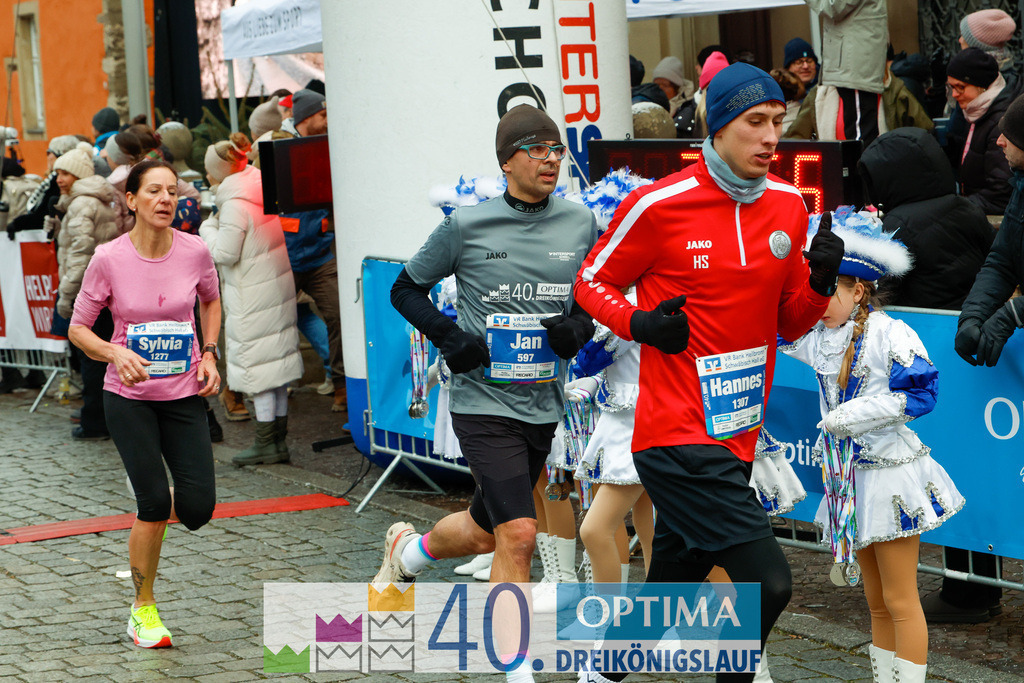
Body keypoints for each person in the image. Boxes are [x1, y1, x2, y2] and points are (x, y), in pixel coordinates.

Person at [571, 63, 844, 683]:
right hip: (676, 435)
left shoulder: (788, 206)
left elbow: (793, 323)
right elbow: (591, 280)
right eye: (755, 123)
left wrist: (822, 280)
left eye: (778, 122)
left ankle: (602, 669)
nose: (772, 137)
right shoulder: (658, 204)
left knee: (673, 579)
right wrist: (640, 325)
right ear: (718, 128)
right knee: (768, 584)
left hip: (737, 434)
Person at [378, 103, 597, 683]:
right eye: (537, 150)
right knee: (521, 534)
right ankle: (515, 665)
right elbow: (405, 288)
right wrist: (451, 337)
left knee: (486, 526)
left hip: (542, 401)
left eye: (557, 150)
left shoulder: (579, 222)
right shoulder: (467, 225)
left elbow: (590, 298)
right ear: (507, 161)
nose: (552, 160)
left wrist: (578, 326)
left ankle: (406, 555)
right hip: (481, 402)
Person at [779, 211, 964, 683]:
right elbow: (773, 330)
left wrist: (853, 415)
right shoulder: (818, 335)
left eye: (829, 290)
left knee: (901, 600)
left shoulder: (890, 333)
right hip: (849, 482)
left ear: (858, 289)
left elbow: (922, 394)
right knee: (876, 601)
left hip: (889, 476)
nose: (817, 300)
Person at [68, 158, 221, 648]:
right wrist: (114, 350)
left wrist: (211, 355)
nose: (165, 200)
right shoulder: (108, 258)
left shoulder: (195, 250)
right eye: (153, 191)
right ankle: (143, 608)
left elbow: (211, 301)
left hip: (182, 395)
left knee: (197, 508)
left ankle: (149, 523)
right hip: (128, 398)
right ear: (131, 200)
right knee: (154, 501)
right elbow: (78, 328)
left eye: (172, 192)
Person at [946, 93, 1024, 624]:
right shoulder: (1021, 185)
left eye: (1009, 132)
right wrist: (974, 313)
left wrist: (1015, 313)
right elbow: (1002, 257)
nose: (998, 138)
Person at [199, 133, 302, 465]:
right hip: (273, 289)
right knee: (278, 368)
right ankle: (278, 442)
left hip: (251, 296)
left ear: (220, 173)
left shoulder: (234, 204)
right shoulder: (259, 191)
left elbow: (225, 253)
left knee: (259, 372)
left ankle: (264, 443)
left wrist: (206, 228)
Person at [858, 127, 994, 309]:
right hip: (972, 314)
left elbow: (882, 292)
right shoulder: (967, 207)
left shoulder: (898, 224)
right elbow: (995, 260)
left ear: (889, 176)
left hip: (922, 322)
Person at [275, 89, 345, 412]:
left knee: (339, 316)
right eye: (323, 115)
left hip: (319, 256)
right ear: (306, 119)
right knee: (267, 324)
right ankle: (260, 393)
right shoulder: (276, 144)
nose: (328, 120)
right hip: (282, 257)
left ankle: (342, 387)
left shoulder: (331, 145)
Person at [53, 143, 122, 440]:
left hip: (87, 291)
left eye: (65, 173)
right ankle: (104, 419)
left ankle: (95, 422)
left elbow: (81, 253)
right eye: (57, 172)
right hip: (106, 290)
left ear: (78, 175)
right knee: (101, 355)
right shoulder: (97, 199)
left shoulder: (82, 204)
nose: (58, 178)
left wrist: (66, 293)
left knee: (91, 358)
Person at [785, 45, 933, 140]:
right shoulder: (819, 95)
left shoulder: (892, 90)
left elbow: (923, 136)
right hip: (838, 178)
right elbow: (795, 141)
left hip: (886, 180)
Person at [805, 0, 888, 145]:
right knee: (858, 130)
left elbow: (833, 7)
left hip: (855, 63)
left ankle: (859, 167)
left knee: (860, 135)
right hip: (853, 61)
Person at [945, 48, 1013, 216]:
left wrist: (959, 208)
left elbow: (1001, 192)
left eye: (960, 87)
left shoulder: (999, 122)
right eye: (951, 87)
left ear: (982, 86)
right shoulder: (976, 110)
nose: (954, 94)